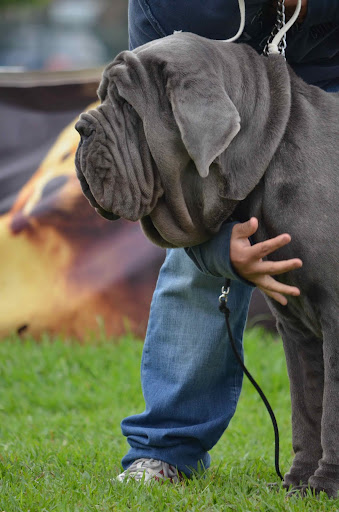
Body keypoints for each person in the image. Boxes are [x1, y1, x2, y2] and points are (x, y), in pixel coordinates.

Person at [117, 0, 339, 483]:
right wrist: (219, 253)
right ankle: (166, 449)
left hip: (326, 78)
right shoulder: (165, 8)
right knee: (192, 270)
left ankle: (323, 463)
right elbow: (153, 172)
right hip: (215, 103)